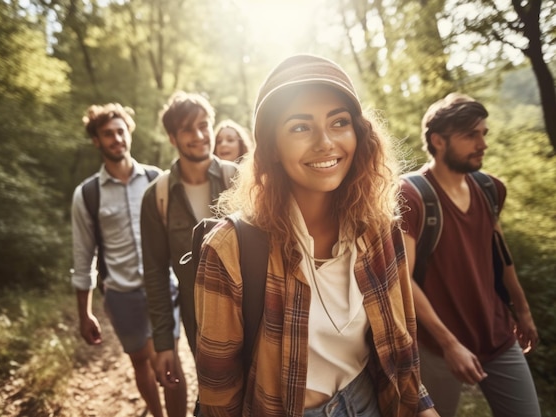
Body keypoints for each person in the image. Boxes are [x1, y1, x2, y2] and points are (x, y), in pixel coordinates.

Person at [194, 54, 439, 417]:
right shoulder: (230, 249)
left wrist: (422, 407)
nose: (325, 142)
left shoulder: (381, 228)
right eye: (300, 127)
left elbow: (401, 354)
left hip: (369, 401)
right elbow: (219, 392)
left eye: (339, 122)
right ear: (272, 148)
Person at [399, 93, 541, 417]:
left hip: (496, 334)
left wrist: (522, 310)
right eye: (470, 135)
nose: (482, 144)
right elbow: (400, 278)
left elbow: (501, 255)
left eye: (483, 134)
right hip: (435, 346)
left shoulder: (490, 188)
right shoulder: (410, 195)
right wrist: (449, 344)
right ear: (438, 141)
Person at [71, 103, 180, 417]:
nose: (116, 138)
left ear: (129, 134)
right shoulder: (87, 194)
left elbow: (178, 236)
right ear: (97, 141)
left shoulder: (158, 179)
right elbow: (83, 256)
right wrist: (84, 313)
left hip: (164, 289)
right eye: (108, 134)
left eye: (121, 131)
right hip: (121, 295)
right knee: (141, 362)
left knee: (168, 358)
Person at [140, 91, 238, 410]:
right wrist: (164, 343)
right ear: (172, 137)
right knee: (218, 395)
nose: (199, 135)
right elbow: (155, 274)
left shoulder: (238, 180)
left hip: (253, 308)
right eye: (187, 129)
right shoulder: (157, 196)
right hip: (198, 318)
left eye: (204, 125)